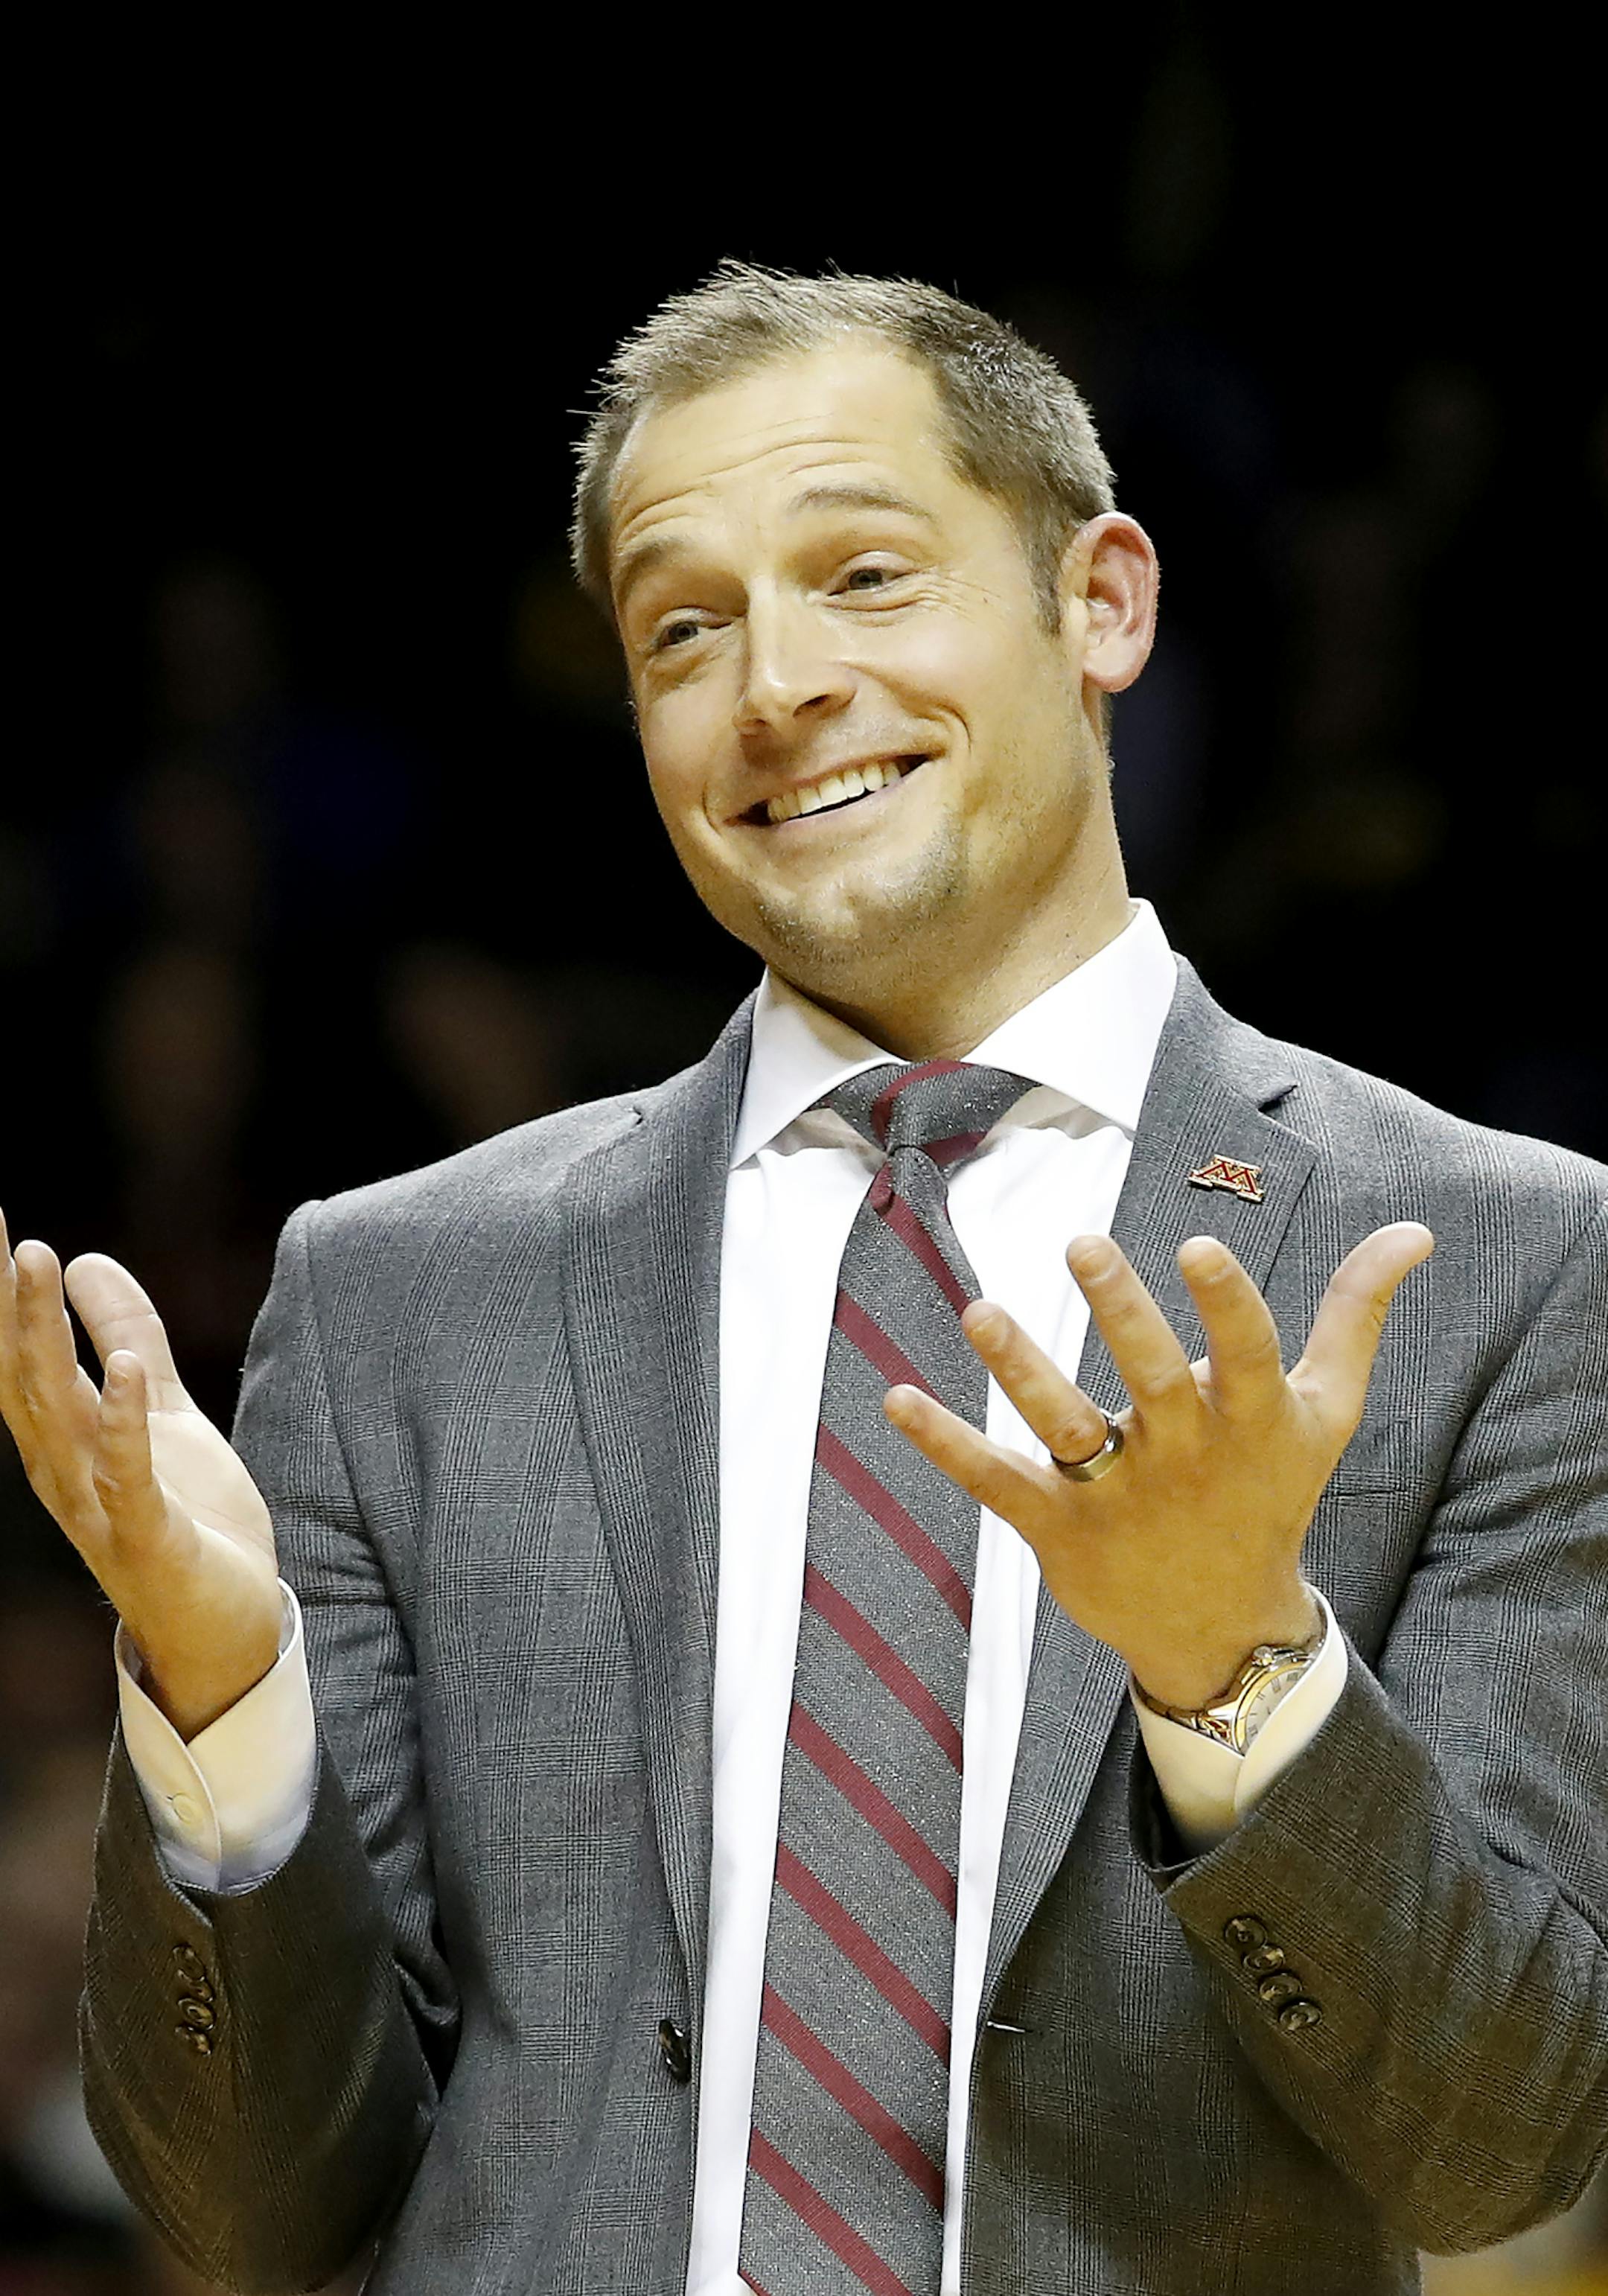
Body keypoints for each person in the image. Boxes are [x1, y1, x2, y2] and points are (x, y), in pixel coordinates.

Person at [1, 263, 1604, 2296]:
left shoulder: (1503, 1264)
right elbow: (253, 2213)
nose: (774, 684)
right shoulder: (397, 1293)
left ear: (1100, 601)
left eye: (864, 574)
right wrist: (228, 1704)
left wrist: (1239, 1675)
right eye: (684, 625)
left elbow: (1499, 2140)